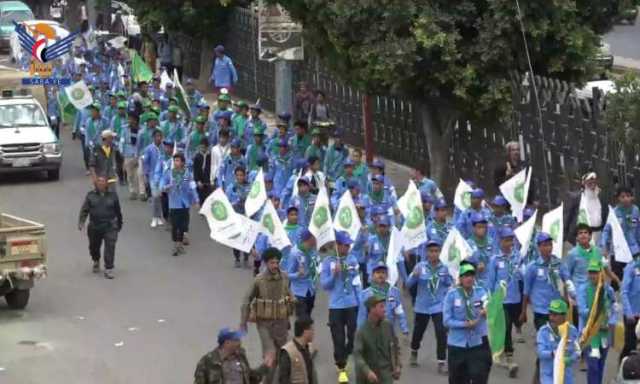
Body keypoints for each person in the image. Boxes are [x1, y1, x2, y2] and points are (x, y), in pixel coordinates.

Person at [240, 248, 295, 384]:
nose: (275, 265)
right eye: (272, 263)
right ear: (265, 263)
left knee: (281, 356)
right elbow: (247, 300)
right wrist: (243, 322)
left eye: (277, 262)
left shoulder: (285, 278)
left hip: (281, 323)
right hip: (264, 324)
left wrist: (288, 311)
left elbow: (289, 296)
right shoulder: (259, 280)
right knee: (270, 354)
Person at [319, 232, 361, 383]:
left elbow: (356, 281)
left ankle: (346, 354)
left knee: (352, 336)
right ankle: (341, 367)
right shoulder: (327, 262)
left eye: (349, 245)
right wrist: (334, 274)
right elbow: (325, 285)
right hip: (336, 306)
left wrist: (360, 302)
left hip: (351, 304)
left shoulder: (352, 259)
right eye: (345, 245)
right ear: (337, 245)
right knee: (338, 338)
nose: (348, 247)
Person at [405, 240, 452, 373]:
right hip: (422, 306)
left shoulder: (444, 268)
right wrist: (414, 275)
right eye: (431, 251)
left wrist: (452, 286)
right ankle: (414, 351)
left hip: (439, 305)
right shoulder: (420, 266)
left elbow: (450, 284)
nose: (434, 254)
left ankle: (441, 362)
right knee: (418, 332)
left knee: (441, 332)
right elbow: (408, 285)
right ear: (426, 253)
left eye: (436, 251)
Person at [443, 263, 492, 384]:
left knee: (480, 376)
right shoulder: (452, 295)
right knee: (457, 379)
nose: (469, 278)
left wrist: (487, 309)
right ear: (460, 279)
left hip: (477, 343)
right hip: (457, 344)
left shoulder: (480, 292)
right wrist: (464, 324)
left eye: (471, 275)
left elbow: (487, 302)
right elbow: (446, 320)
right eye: (465, 276)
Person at [486, 227, 522, 374]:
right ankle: (510, 358)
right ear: (500, 241)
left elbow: (522, 276)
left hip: (516, 299)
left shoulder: (518, 257)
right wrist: (489, 300)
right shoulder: (495, 260)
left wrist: (521, 272)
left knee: (514, 325)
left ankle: (500, 348)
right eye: (506, 240)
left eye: (511, 240)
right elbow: (490, 282)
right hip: (501, 300)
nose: (509, 243)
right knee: (506, 326)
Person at [521, 232, 575, 331]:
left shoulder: (558, 264)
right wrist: (523, 311)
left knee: (558, 338)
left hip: (557, 308)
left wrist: (568, 298)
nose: (548, 248)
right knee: (544, 337)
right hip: (541, 310)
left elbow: (566, 281)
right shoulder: (533, 267)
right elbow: (526, 290)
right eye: (545, 245)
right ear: (539, 247)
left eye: (550, 245)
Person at [577, 259, 618, 384]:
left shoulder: (607, 289)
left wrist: (610, 321)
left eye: (595, 272)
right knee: (593, 366)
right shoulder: (583, 289)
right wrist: (597, 311)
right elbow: (582, 310)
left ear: (601, 273)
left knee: (600, 365)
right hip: (589, 333)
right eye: (590, 272)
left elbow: (614, 307)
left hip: (604, 334)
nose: (592, 275)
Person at [78, 176, 123, 279]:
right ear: (96, 184)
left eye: (103, 182)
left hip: (110, 225)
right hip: (95, 226)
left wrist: (119, 224)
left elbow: (118, 212)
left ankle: (109, 268)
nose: (101, 184)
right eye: (99, 182)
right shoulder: (90, 196)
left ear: (107, 184)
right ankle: (96, 260)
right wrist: (81, 222)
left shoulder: (113, 196)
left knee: (110, 246)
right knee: (94, 246)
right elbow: (84, 210)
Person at [193, 327, 271, 384]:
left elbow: (251, 378)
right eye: (236, 340)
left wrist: (265, 366)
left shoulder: (241, 358)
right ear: (227, 343)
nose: (240, 343)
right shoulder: (208, 361)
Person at [353, 295, 401, 384]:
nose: (385, 310)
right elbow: (357, 355)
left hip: (386, 375)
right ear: (372, 309)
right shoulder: (362, 332)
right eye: (381, 306)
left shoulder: (388, 326)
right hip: (369, 377)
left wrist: (398, 365)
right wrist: (367, 371)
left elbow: (395, 346)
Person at [160, 153, 199, 256]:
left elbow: (191, 187)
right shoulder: (169, 173)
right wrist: (166, 187)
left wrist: (196, 200)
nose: (176, 163)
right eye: (175, 161)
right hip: (173, 204)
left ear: (182, 162)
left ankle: (180, 244)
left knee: (183, 226)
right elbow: (163, 184)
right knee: (175, 225)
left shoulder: (187, 174)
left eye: (178, 161)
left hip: (184, 204)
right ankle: (175, 245)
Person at [600, 186, 640, 287]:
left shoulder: (635, 211)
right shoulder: (614, 213)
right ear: (618, 198)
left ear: (632, 197)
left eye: (628, 196)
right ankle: (616, 300)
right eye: (622, 196)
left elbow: (638, 229)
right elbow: (606, 230)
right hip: (618, 251)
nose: (625, 199)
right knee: (616, 279)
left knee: (635, 276)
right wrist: (604, 246)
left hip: (633, 250)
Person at [536, 299, 581, 384]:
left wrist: (570, 359)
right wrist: (553, 353)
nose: (551, 318)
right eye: (550, 314)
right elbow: (540, 353)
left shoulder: (572, 331)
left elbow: (577, 351)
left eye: (555, 315)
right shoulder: (543, 332)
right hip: (548, 376)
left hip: (566, 377)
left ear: (564, 315)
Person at [564, 172, 609, 245]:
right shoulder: (577, 198)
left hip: (599, 235)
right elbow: (568, 217)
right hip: (582, 236)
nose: (592, 183)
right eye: (589, 181)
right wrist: (566, 236)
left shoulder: (601, 198)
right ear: (584, 182)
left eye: (594, 180)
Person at [276, 316, 318, 384]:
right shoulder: (287, 352)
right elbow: (283, 379)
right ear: (305, 332)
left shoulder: (308, 348)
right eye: (312, 329)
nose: (313, 332)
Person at [287, 230, 319, 318]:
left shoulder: (313, 252)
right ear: (309, 239)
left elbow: (316, 266)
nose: (316, 240)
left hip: (311, 290)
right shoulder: (294, 253)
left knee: (308, 317)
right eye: (314, 238)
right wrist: (298, 274)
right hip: (299, 293)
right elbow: (287, 275)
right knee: (303, 320)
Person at [143, 129, 165, 228]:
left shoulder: (164, 148)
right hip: (153, 176)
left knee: (160, 198)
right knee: (155, 196)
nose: (159, 138)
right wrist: (145, 175)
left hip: (163, 176)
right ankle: (154, 217)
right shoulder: (149, 149)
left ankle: (159, 216)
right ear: (153, 137)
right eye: (157, 136)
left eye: (160, 136)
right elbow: (145, 162)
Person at [621, 253, 640, 361]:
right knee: (630, 346)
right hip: (632, 316)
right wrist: (629, 313)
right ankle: (622, 371)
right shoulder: (631, 268)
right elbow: (624, 292)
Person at [193, 137, 213, 205]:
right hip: (200, 181)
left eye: (204, 147)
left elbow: (212, 168)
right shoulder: (197, 157)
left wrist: (211, 180)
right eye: (201, 147)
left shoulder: (210, 156)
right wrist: (197, 180)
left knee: (208, 200)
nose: (203, 149)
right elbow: (195, 170)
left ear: (207, 147)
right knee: (201, 199)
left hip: (208, 181)